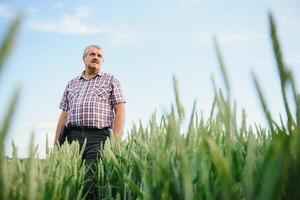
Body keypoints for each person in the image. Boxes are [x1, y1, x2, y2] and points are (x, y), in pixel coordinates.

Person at [53, 44, 126, 199]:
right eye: (92, 54)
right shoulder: (72, 83)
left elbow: (120, 110)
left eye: (99, 56)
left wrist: (116, 142)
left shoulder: (111, 80)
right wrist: (56, 144)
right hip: (72, 137)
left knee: (90, 181)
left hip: (98, 138)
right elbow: (64, 116)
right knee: (69, 180)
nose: (96, 57)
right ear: (84, 58)